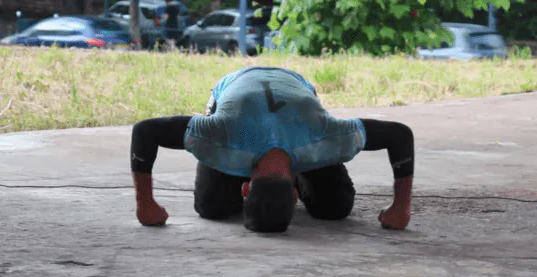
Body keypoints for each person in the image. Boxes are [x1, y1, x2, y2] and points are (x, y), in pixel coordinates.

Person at [130, 66, 414, 233]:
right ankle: (278, 176)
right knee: (211, 207)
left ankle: (293, 176)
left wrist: (402, 207)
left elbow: (400, 135)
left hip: (296, 105)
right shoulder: (220, 134)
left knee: (335, 207)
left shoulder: (324, 135)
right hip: (239, 100)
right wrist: (145, 204)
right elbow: (144, 130)